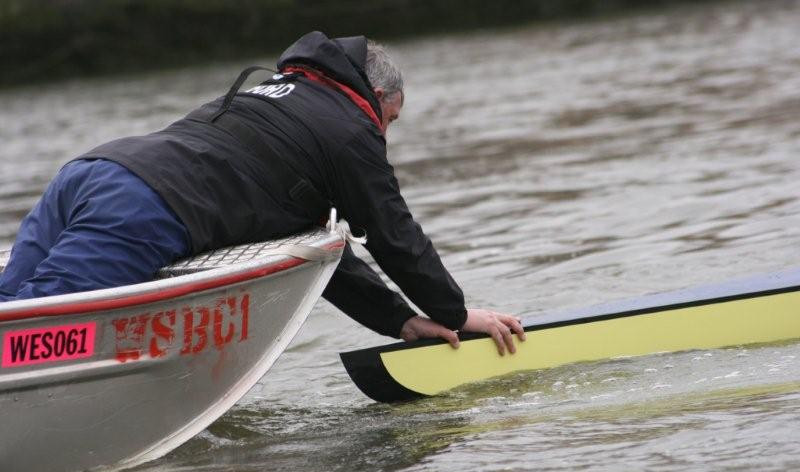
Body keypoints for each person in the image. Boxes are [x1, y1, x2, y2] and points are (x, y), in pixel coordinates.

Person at [0, 31, 525, 354]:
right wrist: (456, 314)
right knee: (34, 331)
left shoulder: (278, 99)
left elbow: (315, 248)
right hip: (144, 205)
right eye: (391, 119)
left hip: (89, 172)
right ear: (377, 96)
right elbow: (394, 233)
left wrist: (400, 320)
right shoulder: (349, 128)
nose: (385, 135)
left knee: (9, 308)